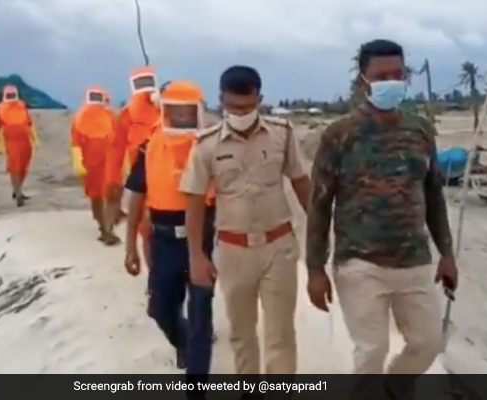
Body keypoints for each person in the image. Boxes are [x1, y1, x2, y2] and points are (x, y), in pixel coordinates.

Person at [305, 39, 458, 395]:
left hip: (414, 260)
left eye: (398, 74)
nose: (391, 81)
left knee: (428, 344)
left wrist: (447, 254)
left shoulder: (421, 130)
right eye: (381, 76)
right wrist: (315, 269)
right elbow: (319, 204)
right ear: (363, 80)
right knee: (371, 351)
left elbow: (434, 196)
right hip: (359, 262)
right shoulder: (339, 135)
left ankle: (394, 387)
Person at [179, 65, 310, 376]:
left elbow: (301, 182)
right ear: (221, 100)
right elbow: (194, 201)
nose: (240, 113)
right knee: (241, 333)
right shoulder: (206, 144)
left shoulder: (282, 134)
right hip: (233, 251)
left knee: (281, 334)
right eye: (233, 107)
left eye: (248, 107)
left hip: (278, 247)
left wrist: (320, 230)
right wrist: (196, 256)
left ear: (259, 100)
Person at [123, 81, 215, 396]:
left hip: (203, 240)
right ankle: (183, 342)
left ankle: (196, 388)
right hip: (163, 241)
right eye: (176, 110)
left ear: (199, 110)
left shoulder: (211, 147)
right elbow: (137, 197)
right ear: (164, 110)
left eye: (188, 110)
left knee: (201, 315)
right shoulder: (149, 147)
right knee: (160, 310)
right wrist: (131, 246)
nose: (182, 117)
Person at [109, 66, 163, 271]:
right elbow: (116, 151)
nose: (145, 89)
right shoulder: (127, 115)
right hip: (139, 180)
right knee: (146, 229)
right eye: (141, 83)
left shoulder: (164, 108)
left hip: (166, 177)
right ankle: (154, 275)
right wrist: (113, 183)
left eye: (149, 82)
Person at [70, 86, 120, 245]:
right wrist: (78, 161)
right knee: (98, 195)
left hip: (108, 162)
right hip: (92, 164)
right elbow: (76, 142)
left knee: (108, 194)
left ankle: (107, 227)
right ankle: (105, 229)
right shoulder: (81, 117)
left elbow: (118, 139)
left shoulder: (109, 116)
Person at [0, 85, 39, 207]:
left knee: (24, 168)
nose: (11, 97)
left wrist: (35, 139)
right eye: (9, 95)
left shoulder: (21, 105)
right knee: (14, 168)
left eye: (13, 94)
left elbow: (29, 124)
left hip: (25, 141)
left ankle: (18, 190)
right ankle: (18, 195)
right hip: (11, 142)